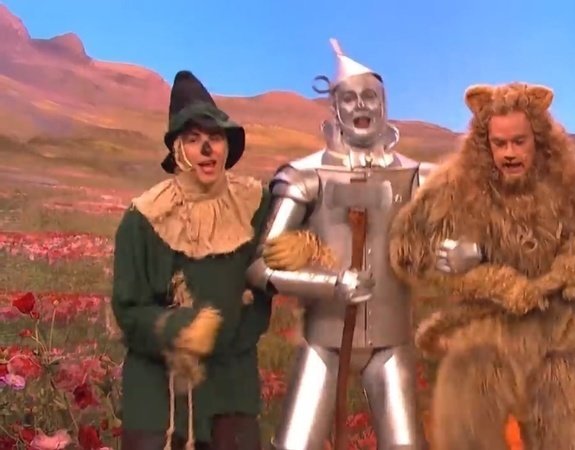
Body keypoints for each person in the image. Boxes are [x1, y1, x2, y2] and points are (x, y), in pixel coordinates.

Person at [388, 82, 575, 449]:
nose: (509, 153)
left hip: (557, 346)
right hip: (482, 348)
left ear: (539, 139)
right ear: (485, 144)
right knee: (466, 435)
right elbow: (409, 255)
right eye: (499, 144)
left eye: (519, 142)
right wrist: (479, 274)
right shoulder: (454, 188)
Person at [245, 39, 434, 450]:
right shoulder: (305, 176)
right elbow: (261, 268)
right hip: (324, 340)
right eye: (349, 98)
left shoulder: (416, 178)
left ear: (385, 105)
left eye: (370, 97)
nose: (360, 106)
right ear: (334, 107)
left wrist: (453, 254)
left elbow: (440, 239)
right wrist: (330, 284)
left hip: (391, 339)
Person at [111, 70, 274, 450]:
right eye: (193, 138)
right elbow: (128, 310)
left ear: (227, 147)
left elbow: (270, 277)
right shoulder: (144, 217)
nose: (207, 148)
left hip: (231, 386)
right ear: (176, 150)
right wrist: (178, 329)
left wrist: (300, 248)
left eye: (215, 137)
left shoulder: (255, 205)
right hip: (159, 393)